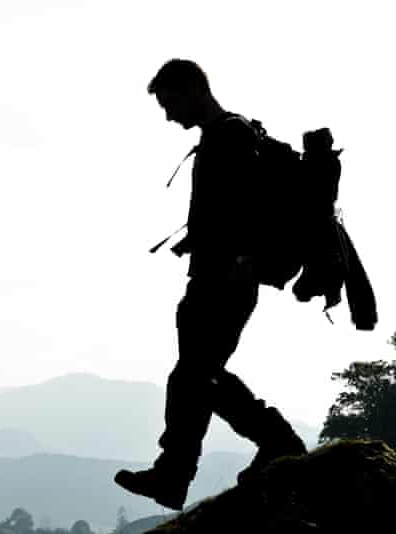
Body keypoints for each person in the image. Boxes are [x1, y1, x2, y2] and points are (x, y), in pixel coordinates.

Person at [114, 59, 307, 511]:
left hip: (227, 279)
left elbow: (248, 206)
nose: (167, 115)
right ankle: (175, 476)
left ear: (194, 89)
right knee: (196, 377)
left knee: (196, 375)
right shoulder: (223, 135)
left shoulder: (231, 135)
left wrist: (243, 258)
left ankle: (275, 442)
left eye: (169, 103)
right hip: (214, 275)